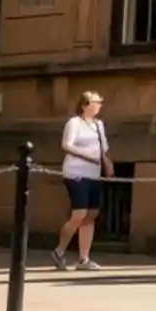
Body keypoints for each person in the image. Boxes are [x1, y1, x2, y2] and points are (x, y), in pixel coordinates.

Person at [53, 92, 113, 274]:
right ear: (86, 104)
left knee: (91, 214)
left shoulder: (98, 125)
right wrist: (87, 156)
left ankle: (83, 258)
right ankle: (59, 250)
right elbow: (67, 145)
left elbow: (102, 150)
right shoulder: (74, 123)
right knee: (79, 213)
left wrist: (106, 162)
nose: (100, 105)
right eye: (97, 102)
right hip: (76, 173)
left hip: (93, 174)